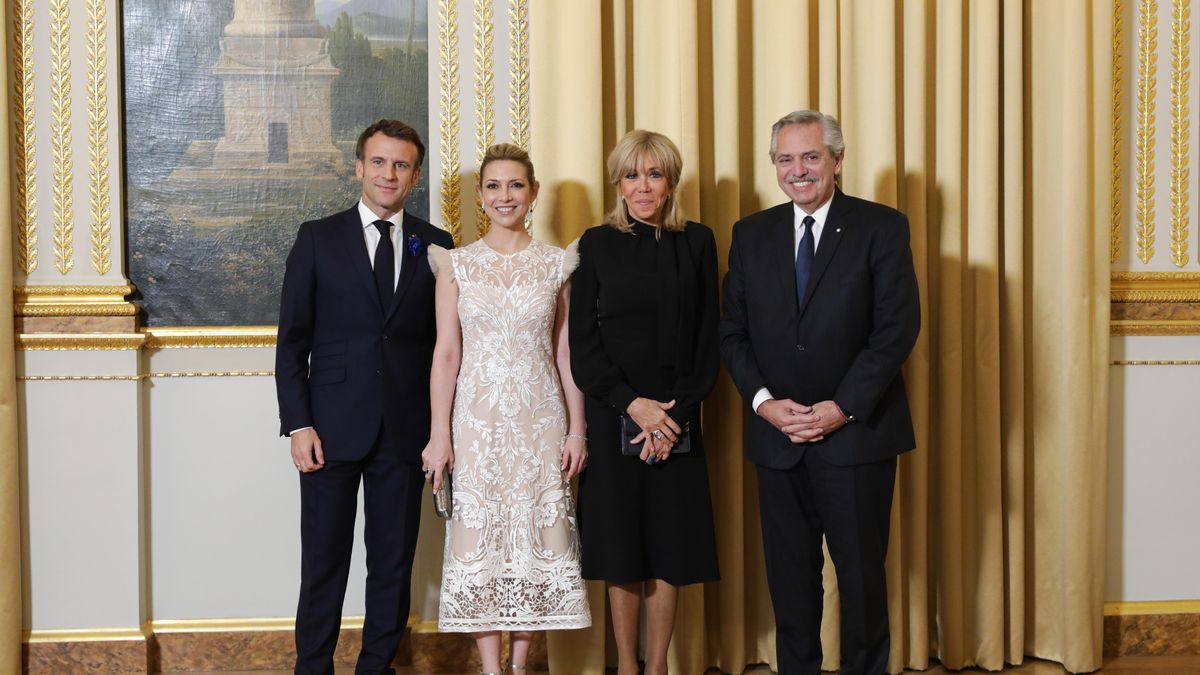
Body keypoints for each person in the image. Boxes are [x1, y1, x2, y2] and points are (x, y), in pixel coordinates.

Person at [719, 110, 921, 674]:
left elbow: (896, 329)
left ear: (837, 161)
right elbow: (731, 332)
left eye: (811, 156)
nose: (798, 170)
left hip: (856, 437)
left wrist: (841, 408)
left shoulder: (882, 227)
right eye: (786, 159)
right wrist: (764, 404)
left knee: (861, 580)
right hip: (778, 438)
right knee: (789, 582)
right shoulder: (751, 234)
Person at [275, 119, 454, 675]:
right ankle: (313, 668)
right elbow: (292, 342)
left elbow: (447, 345)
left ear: (415, 175)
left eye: (401, 164)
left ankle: (377, 668)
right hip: (328, 430)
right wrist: (298, 424)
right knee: (323, 563)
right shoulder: (317, 238)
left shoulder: (439, 245)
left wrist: (442, 431)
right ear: (358, 167)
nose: (388, 174)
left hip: (405, 432)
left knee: (393, 565)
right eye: (378, 162)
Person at [421, 143, 591, 675]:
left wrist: (578, 430)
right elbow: (446, 354)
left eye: (516, 185)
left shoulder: (558, 264)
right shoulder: (456, 265)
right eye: (493, 186)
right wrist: (439, 435)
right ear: (480, 195)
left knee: (536, 541)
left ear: (533, 192)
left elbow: (566, 353)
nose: (505, 196)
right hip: (476, 424)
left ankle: (519, 667)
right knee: (480, 541)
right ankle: (492, 670)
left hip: (542, 422)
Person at [569, 129, 720, 675]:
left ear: (671, 181)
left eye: (654, 174)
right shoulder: (594, 244)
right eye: (632, 175)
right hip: (615, 416)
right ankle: (628, 669)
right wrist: (634, 406)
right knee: (622, 548)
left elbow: (708, 340)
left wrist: (671, 419)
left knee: (670, 547)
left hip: (678, 420)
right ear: (617, 183)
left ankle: (656, 667)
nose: (643, 186)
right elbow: (583, 346)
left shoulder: (697, 241)